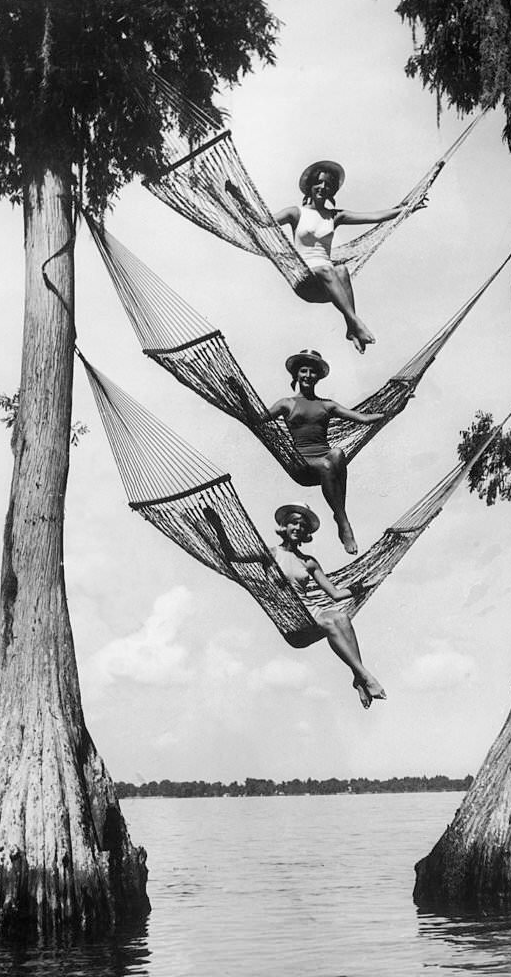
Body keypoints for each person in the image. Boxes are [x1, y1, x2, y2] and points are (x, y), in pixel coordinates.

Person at [203, 501, 386, 709]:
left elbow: (335, 594)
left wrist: (361, 587)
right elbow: (232, 555)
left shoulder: (309, 562)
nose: (298, 528)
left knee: (342, 617)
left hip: (314, 612)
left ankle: (359, 678)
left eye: (302, 526)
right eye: (293, 523)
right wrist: (217, 524)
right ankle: (365, 676)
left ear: (306, 532)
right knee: (330, 622)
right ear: (284, 526)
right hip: (294, 620)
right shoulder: (269, 554)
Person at [274, 160, 425, 353]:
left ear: (332, 191)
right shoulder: (295, 213)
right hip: (305, 282)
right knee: (327, 268)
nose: (323, 187)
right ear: (310, 186)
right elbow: (264, 221)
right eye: (319, 183)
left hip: (327, 288)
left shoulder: (335, 216)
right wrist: (238, 196)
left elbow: (375, 216)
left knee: (341, 269)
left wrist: (408, 208)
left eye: (328, 185)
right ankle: (356, 322)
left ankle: (351, 329)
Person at [265, 349, 390, 556]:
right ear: (296, 375)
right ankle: (343, 521)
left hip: (326, 463)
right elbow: (257, 419)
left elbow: (364, 418)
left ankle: (340, 517)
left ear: (318, 377)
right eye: (303, 371)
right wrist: (240, 395)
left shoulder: (327, 405)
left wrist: (396, 406)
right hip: (300, 465)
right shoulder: (286, 404)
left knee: (338, 453)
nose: (308, 376)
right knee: (327, 463)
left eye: (312, 372)